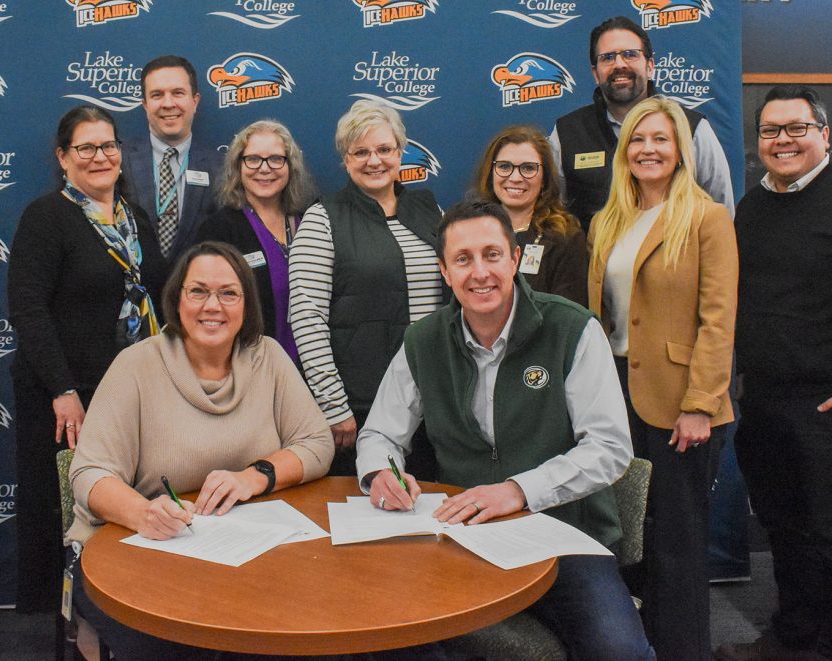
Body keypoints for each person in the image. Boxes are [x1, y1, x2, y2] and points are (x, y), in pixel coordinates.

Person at [356, 200, 653, 661]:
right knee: (386, 631)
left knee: (620, 652)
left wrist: (517, 491)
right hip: (462, 537)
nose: (480, 272)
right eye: (463, 259)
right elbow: (379, 435)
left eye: (492, 255)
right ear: (444, 271)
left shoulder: (572, 329)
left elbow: (609, 448)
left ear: (515, 259)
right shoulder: (423, 340)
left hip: (563, 536)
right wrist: (381, 474)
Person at [67, 241, 334, 658]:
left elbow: (317, 443)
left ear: (247, 304)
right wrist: (143, 513)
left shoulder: (268, 356)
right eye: (198, 291)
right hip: (134, 551)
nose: (213, 306)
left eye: (228, 293)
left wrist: (254, 477)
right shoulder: (137, 365)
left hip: (242, 554)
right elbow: (89, 473)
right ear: (177, 300)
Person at [588, 96, 737, 661]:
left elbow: (718, 319)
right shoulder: (607, 221)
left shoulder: (706, 218)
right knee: (627, 539)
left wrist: (700, 403)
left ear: (680, 151)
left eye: (660, 139)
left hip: (681, 404)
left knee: (678, 544)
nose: (648, 149)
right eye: (638, 139)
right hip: (615, 397)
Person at [7, 106, 168, 614]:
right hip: (66, 396)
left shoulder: (134, 218)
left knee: (122, 502)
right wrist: (62, 389)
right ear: (63, 157)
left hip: (128, 390)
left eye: (109, 146)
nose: (100, 157)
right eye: (86, 148)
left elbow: (157, 295)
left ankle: (121, 608)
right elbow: (28, 308)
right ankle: (61, 617)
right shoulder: (46, 217)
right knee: (62, 506)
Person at [715, 85, 832, 661]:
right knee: (784, 527)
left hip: (822, 404)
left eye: (796, 128)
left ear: (824, 134)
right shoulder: (752, 207)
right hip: (762, 398)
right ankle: (793, 638)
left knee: (827, 532)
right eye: (770, 131)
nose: (782, 140)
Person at [289, 100, 444, 476]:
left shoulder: (430, 211)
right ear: (345, 159)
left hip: (434, 402)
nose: (374, 160)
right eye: (360, 152)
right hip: (361, 408)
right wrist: (333, 405)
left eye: (384, 149)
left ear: (401, 152)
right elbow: (307, 317)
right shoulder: (323, 218)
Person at [549, 15, 733, 231]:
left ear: (650, 66)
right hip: (594, 252)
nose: (619, 64)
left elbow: (722, 215)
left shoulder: (692, 128)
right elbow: (552, 217)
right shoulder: (567, 133)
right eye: (607, 57)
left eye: (630, 54)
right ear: (595, 73)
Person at [195, 120, 316, 367]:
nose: (264, 168)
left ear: (290, 165)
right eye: (253, 159)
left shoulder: (311, 221)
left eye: (275, 159)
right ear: (238, 166)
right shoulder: (218, 230)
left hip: (312, 368)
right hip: (248, 368)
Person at [472, 124, 588, 306]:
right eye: (504, 166)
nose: (515, 178)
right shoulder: (470, 232)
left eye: (528, 168)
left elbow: (568, 315)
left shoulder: (565, 238)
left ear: (544, 179)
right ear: (490, 174)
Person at [122, 54, 222, 266]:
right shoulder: (118, 161)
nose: (168, 104)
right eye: (157, 95)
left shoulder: (221, 167)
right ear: (145, 104)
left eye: (178, 93)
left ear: (195, 101)